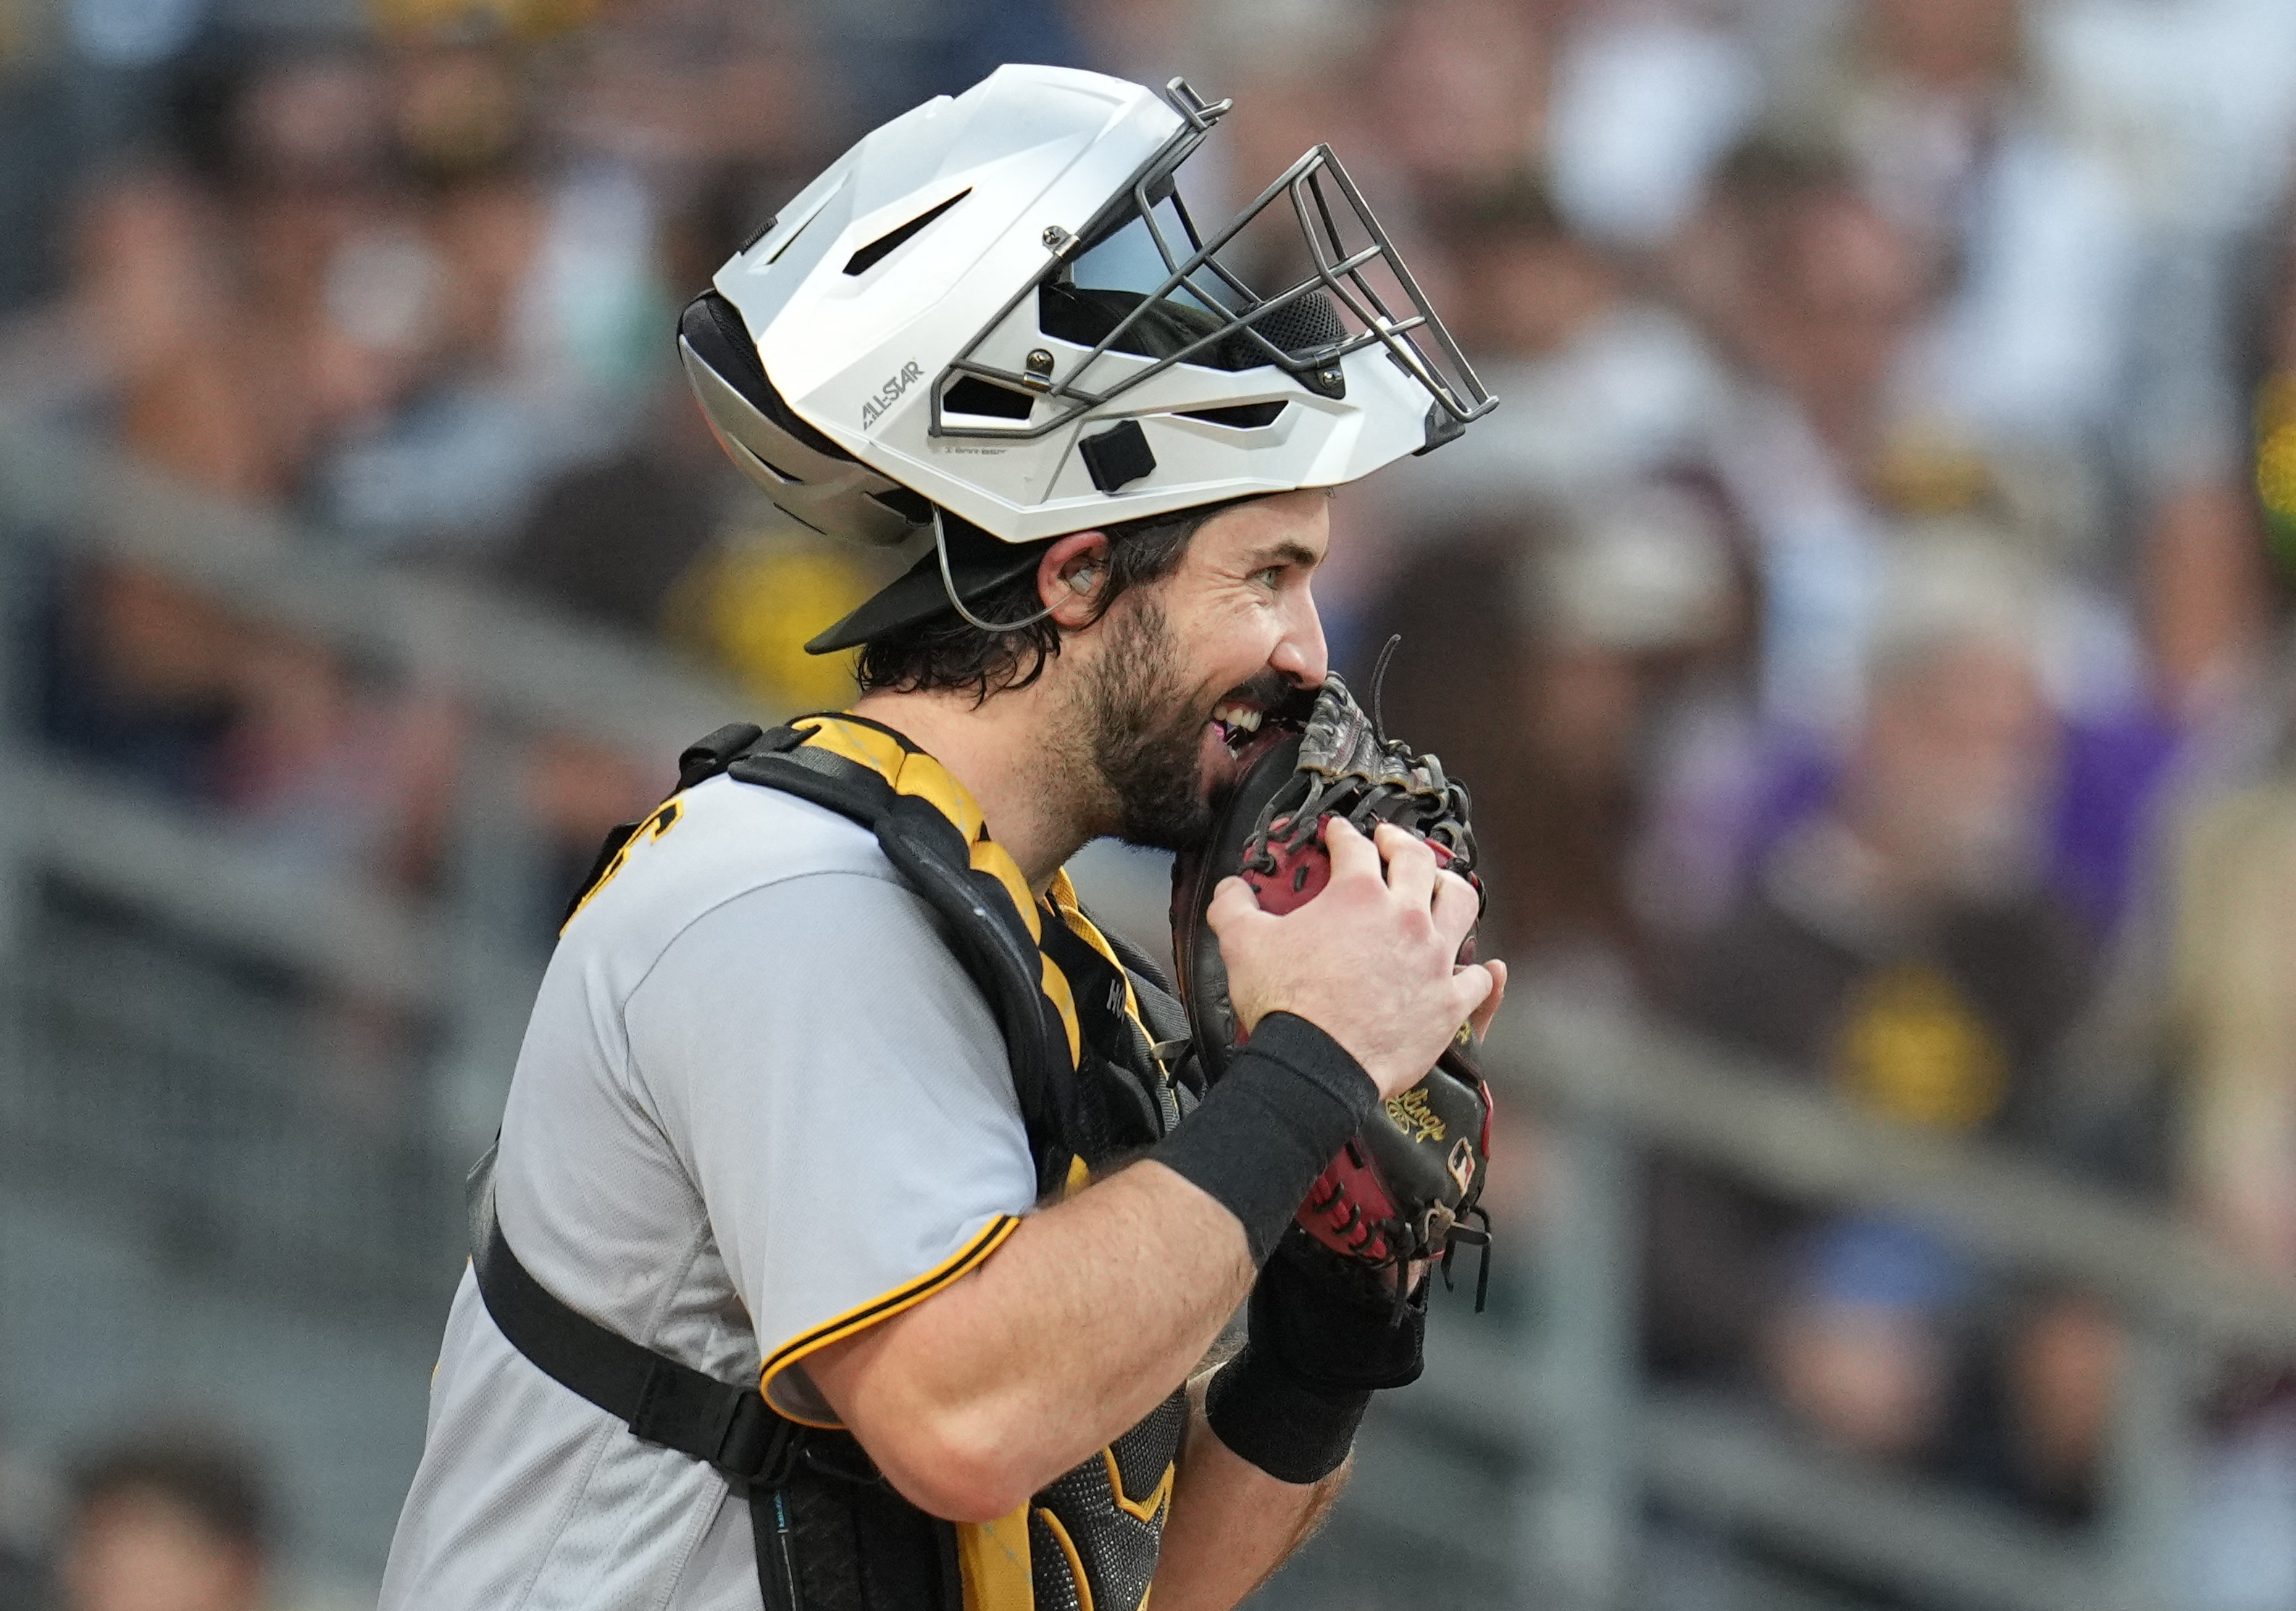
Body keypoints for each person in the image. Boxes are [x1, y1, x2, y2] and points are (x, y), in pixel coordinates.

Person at [382, 64, 1503, 1611]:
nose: (1309, 652)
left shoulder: (1029, 949)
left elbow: (1126, 1578)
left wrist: (1323, 1334)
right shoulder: (786, 892)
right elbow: (963, 1417)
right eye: (1265, 572)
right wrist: (1302, 1068)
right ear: (1075, 575)